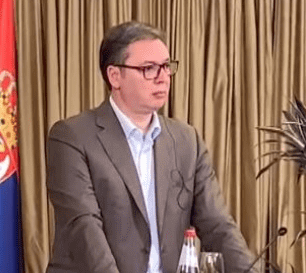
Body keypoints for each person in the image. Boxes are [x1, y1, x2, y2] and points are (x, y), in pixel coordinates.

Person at [46, 21, 257, 273]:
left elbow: (217, 225)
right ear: (115, 76)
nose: (163, 77)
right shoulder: (72, 137)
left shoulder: (186, 141)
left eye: (166, 66)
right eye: (149, 69)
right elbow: (84, 227)